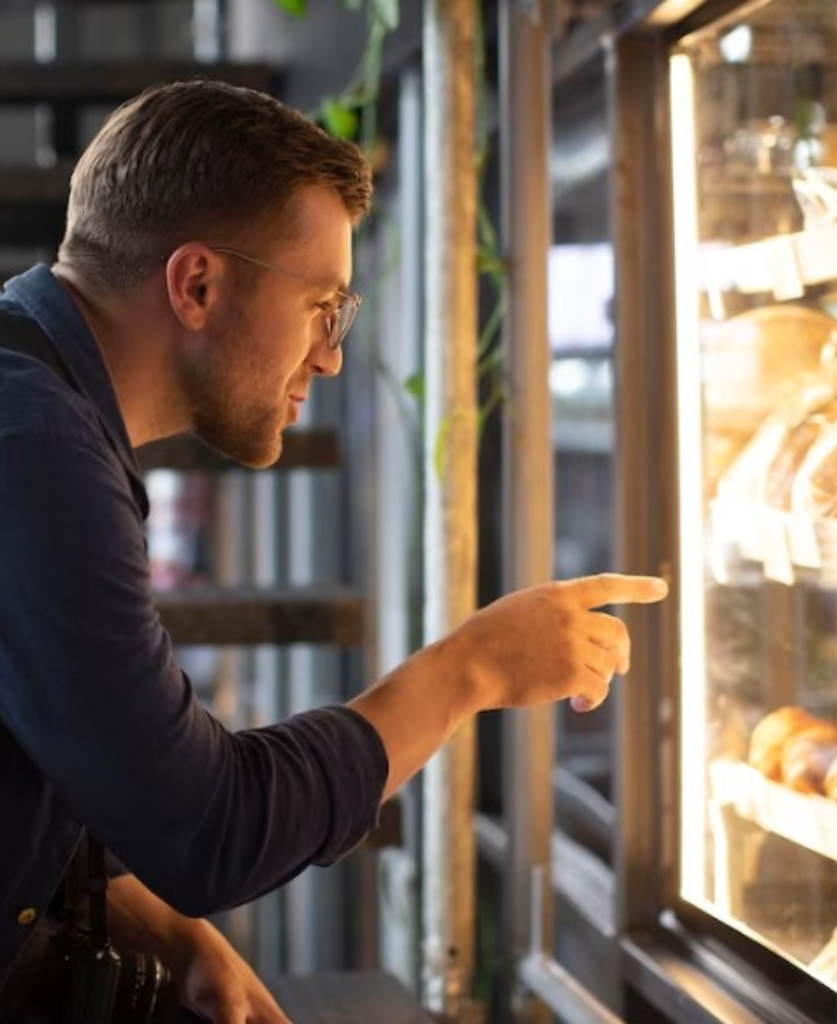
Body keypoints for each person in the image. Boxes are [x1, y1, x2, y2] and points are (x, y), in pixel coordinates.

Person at [0, 80, 667, 1022]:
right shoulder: (35, 448)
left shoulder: (36, 404)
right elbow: (208, 829)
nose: (332, 356)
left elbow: (48, 745)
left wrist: (163, 927)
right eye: (324, 307)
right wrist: (469, 668)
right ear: (198, 285)